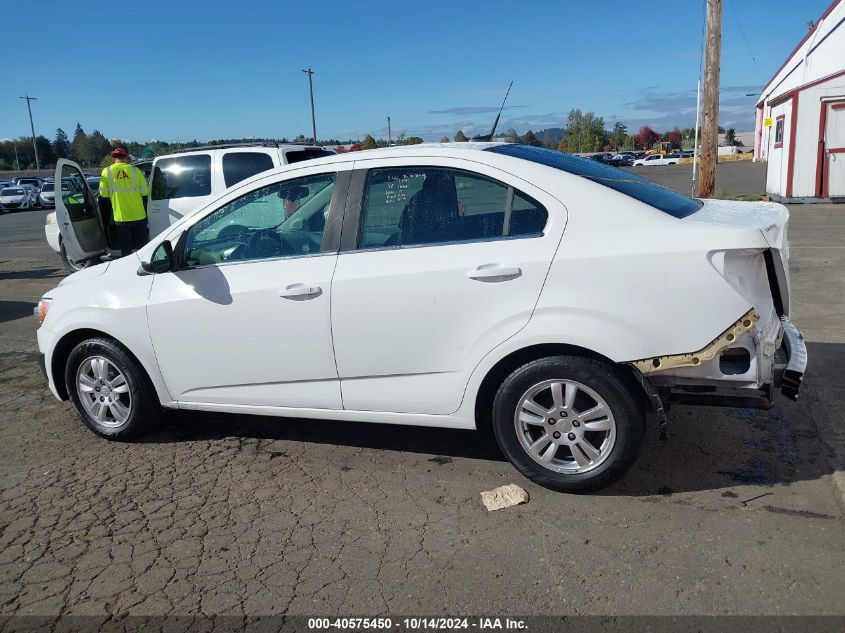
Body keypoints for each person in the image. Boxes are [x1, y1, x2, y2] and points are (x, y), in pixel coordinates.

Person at [99, 147, 150, 257]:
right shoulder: (136, 171)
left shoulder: (106, 171)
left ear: (113, 158)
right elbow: (145, 192)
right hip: (139, 215)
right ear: (126, 157)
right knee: (143, 246)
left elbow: (103, 194)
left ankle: (128, 269)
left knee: (125, 248)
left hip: (121, 217)